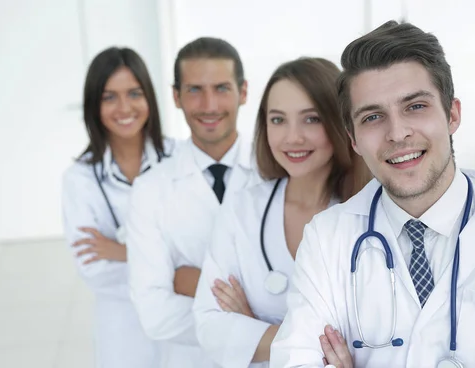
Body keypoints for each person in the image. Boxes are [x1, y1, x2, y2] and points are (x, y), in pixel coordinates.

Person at [270, 21, 475, 368]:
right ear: (354, 141)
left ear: (452, 115)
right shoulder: (326, 239)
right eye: (373, 116)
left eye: (415, 106)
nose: (397, 133)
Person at [192, 57, 371, 367]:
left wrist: (252, 327)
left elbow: (376, 339)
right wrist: (309, 342)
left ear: (340, 121)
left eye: (311, 119)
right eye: (278, 120)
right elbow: (210, 327)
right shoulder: (242, 209)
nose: (292, 137)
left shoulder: (371, 215)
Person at [125, 37, 260, 368]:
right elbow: (154, 313)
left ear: (243, 92)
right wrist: (254, 318)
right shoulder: (149, 189)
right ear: (176, 97)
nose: (209, 105)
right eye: (195, 90)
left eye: (222, 88)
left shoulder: (277, 173)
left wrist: (192, 284)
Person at [62, 47, 176, 368]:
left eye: (134, 93)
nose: (123, 107)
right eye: (109, 97)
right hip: (123, 324)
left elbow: (202, 252)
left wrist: (122, 250)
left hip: (183, 319)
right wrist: (170, 264)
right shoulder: (80, 179)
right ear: (93, 105)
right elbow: (96, 270)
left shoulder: (180, 159)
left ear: (149, 98)